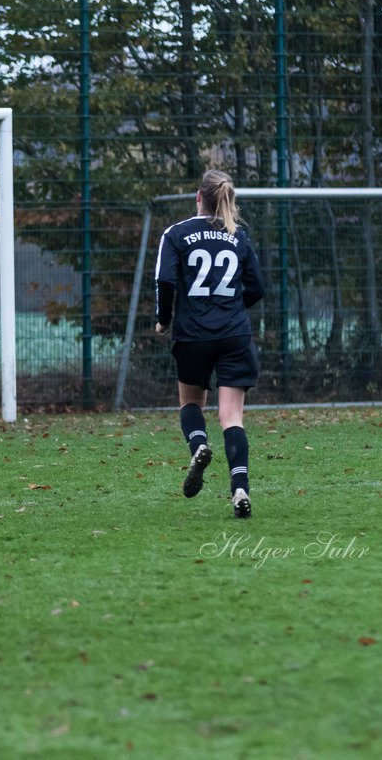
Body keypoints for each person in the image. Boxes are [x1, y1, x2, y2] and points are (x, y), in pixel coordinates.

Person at [154, 169, 265, 518]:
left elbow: (165, 281)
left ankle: (199, 446)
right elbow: (257, 288)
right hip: (234, 334)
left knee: (190, 401)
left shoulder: (176, 234)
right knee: (232, 417)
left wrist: (164, 319)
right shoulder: (239, 235)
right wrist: (230, 308)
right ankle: (240, 489)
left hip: (194, 334)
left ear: (198, 197)